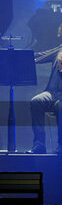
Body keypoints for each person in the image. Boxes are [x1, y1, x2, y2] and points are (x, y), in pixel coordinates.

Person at [27, 25, 62, 155]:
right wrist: (23, 56)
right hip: (52, 93)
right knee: (36, 101)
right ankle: (39, 144)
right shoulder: (59, 50)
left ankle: (61, 146)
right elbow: (40, 57)